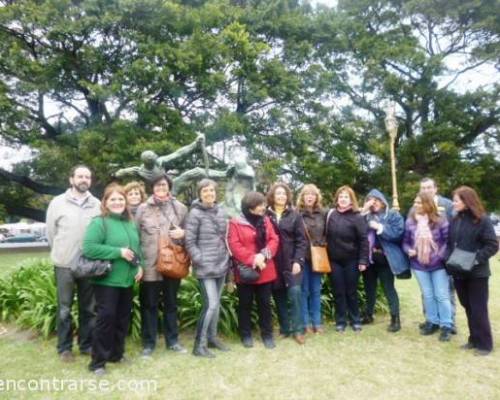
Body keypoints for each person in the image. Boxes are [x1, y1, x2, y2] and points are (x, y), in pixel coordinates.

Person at [82, 184, 143, 375]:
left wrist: (138, 265)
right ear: (105, 202)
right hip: (107, 281)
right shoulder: (99, 222)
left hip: (126, 280)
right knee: (106, 319)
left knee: (122, 319)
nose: (117, 202)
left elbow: (136, 248)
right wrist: (118, 252)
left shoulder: (129, 223)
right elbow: (89, 248)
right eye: (113, 199)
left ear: (125, 203)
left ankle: (116, 354)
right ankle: (98, 363)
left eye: (121, 199)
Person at [46, 165, 101, 362]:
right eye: (80, 176)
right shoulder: (57, 203)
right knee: (64, 309)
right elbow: (51, 234)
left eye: (87, 176)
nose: (84, 179)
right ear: (71, 179)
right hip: (64, 264)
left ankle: (86, 345)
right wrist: (63, 252)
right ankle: (65, 348)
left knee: (89, 308)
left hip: (88, 265)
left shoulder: (97, 204)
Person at [135, 173, 188, 357]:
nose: (161, 187)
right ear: (152, 187)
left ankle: (172, 340)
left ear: (169, 186)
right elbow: (134, 236)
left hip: (172, 263)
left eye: (164, 184)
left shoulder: (180, 208)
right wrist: (137, 263)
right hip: (149, 264)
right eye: (157, 185)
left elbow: (188, 233)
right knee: (149, 304)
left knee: (171, 303)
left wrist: (184, 233)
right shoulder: (142, 209)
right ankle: (148, 343)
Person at [447, 186, 498, 356]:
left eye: (456, 200)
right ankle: (473, 339)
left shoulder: (482, 220)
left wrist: (475, 259)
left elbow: (492, 245)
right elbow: (451, 244)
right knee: (467, 306)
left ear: (467, 201)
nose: (453, 203)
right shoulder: (455, 220)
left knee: (478, 308)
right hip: (459, 271)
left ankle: (485, 345)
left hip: (477, 274)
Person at [185, 179, 231, 358]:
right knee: (210, 304)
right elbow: (189, 241)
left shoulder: (221, 211)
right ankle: (199, 345)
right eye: (205, 191)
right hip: (205, 266)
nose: (209, 194)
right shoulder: (195, 213)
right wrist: (199, 259)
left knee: (216, 304)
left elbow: (225, 236)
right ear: (200, 194)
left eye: (211, 190)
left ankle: (212, 338)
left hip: (221, 263)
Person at [227, 191, 280, 349]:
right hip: (246, 272)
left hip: (265, 269)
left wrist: (263, 256)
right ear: (250, 208)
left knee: (265, 304)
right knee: (245, 304)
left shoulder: (266, 221)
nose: (263, 207)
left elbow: (274, 239)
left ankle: (267, 335)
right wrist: (253, 259)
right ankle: (246, 334)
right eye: (260, 205)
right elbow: (235, 246)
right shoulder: (235, 223)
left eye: (263, 204)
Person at [402, 192, 452, 341]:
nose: (415, 205)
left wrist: (437, 257)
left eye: (419, 203)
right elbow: (405, 241)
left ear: (427, 204)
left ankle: (446, 325)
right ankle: (432, 322)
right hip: (418, 264)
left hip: (438, 265)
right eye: (415, 202)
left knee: (441, 295)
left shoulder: (440, 220)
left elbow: (447, 242)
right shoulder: (410, 221)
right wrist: (408, 250)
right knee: (428, 295)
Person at [361, 189, 410, 332]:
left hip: (385, 258)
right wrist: (363, 214)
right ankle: (368, 315)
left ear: (382, 201)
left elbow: (398, 234)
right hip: (369, 259)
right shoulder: (365, 216)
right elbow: (357, 231)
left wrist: (380, 227)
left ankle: (395, 319)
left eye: (376, 200)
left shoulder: (393, 215)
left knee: (388, 288)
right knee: (369, 288)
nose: (374, 203)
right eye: (370, 201)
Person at [267, 183, 308, 345]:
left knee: (295, 293)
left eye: (284, 194)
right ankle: (285, 328)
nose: (281, 196)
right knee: (279, 295)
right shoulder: (265, 215)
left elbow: (301, 241)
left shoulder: (295, 215)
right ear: (272, 196)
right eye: (278, 193)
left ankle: (298, 330)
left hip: (291, 262)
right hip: (273, 262)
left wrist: (298, 260)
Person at [326, 186, 369, 333]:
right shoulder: (330, 215)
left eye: (346, 197)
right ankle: (341, 321)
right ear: (337, 199)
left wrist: (363, 260)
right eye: (341, 196)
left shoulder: (357, 217)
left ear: (351, 200)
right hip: (334, 260)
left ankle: (355, 320)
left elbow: (364, 240)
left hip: (352, 260)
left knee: (351, 292)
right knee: (338, 292)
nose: (343, 199)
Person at [419, 177, 457, 333]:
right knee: (427, 292)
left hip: (444, 257)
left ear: (436, 189)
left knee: (446, 291)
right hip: (423, 258)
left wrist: (445, 254)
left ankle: (450, 321)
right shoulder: (417, 205)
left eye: (429, 187)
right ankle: (430, 319)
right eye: (423, 188)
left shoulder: (447, 205)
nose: (426, 190)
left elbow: (454, 230)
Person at [296, 184, 327, 334]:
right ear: (302, 196)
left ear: (316, 197)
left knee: (315, 290)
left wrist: (322, 242)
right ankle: (305, 322)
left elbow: (328, 232)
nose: (309, 196)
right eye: (307, 194)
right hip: (303, 258)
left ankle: (317, 322)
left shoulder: (323, 214)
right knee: (304, 291)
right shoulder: (297, 214)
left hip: (318, 257)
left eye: (312, 194)